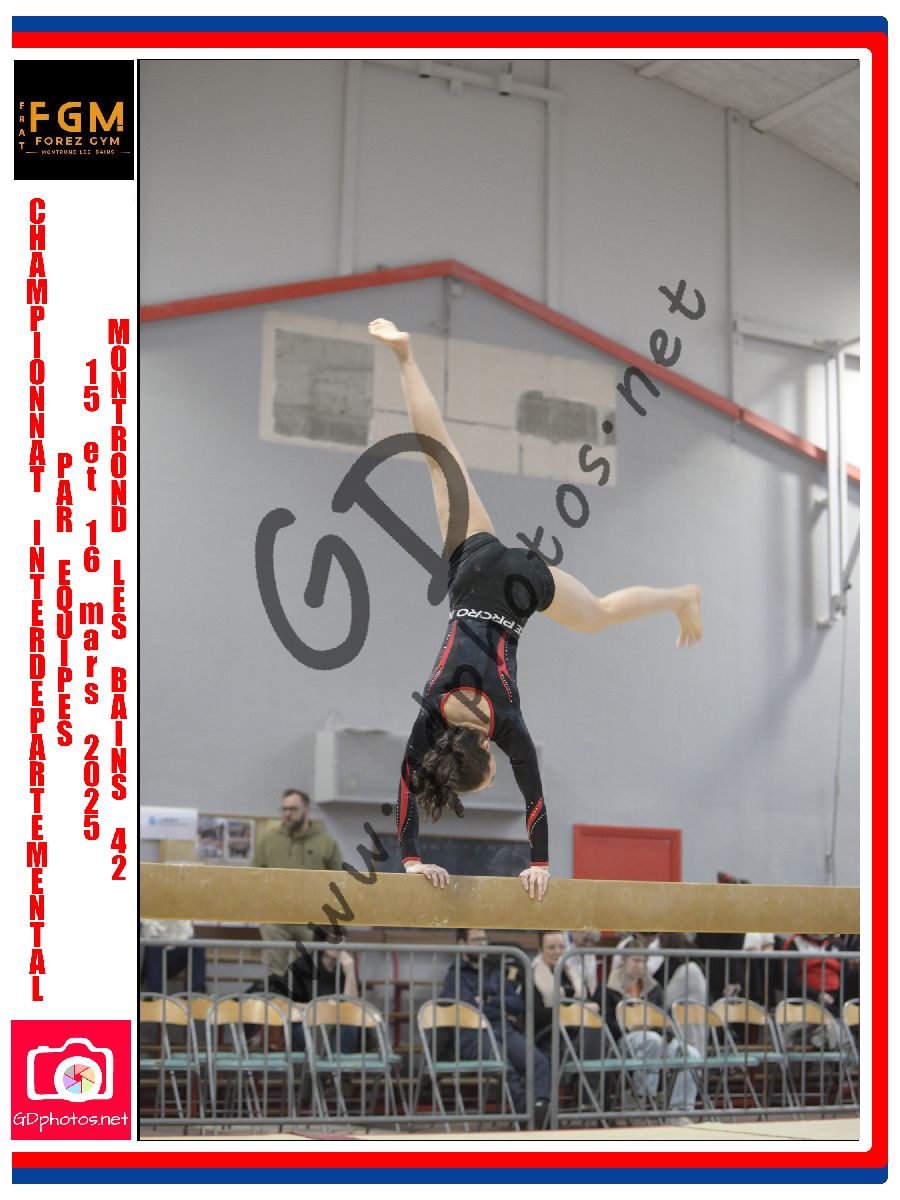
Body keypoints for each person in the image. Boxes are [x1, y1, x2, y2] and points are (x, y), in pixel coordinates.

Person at [370, 319, 704, 901]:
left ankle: (679, 597)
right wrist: (412, 860)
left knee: (599, 612)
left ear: (487, 753)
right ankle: (404, 358)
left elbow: (536, 799)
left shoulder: (508, 723)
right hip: (473, 571)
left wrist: (540, 865)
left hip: (520, 587)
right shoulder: (431, 716)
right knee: (438, 454)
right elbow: (404, 788)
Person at [439, 928, 551, 1127]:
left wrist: (489, 1000)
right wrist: (499, 1009)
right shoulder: (454, 976)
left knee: (539, 1062)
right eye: (476, 940)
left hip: (502, 1028)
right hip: (472, 1034)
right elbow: (470, 1011)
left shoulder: (495, 972)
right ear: (462, 944)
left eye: (484, 939)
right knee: (504, 1067)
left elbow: (517, 1005)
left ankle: (539, 1111)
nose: (482, 944)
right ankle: (530, 1119)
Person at [603, 938, 702, 1119]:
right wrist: (631, 1027)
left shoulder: (653, 988)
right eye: (636, 961)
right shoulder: (608, 988)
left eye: (643, 962)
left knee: (690, 1054)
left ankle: (680, 1111)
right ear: (623, 960)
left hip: (656, 1038)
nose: (640, 966)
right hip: (622, 1041)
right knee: (651, 1040)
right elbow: (606, 1022)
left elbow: (666, 1020)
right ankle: (643, 1100)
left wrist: (662, 1033)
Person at [252, 788, 343, 975]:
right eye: (284, 809)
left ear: (306, 809)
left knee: (305, 972)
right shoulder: (270, 841)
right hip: (275, 918)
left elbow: (340, 880)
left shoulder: (326, 843)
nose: (287, 814)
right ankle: (275, 995)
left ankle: (302, 995)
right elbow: (254, 877)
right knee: (274, 970)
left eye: (292, 809)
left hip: (311, 918)